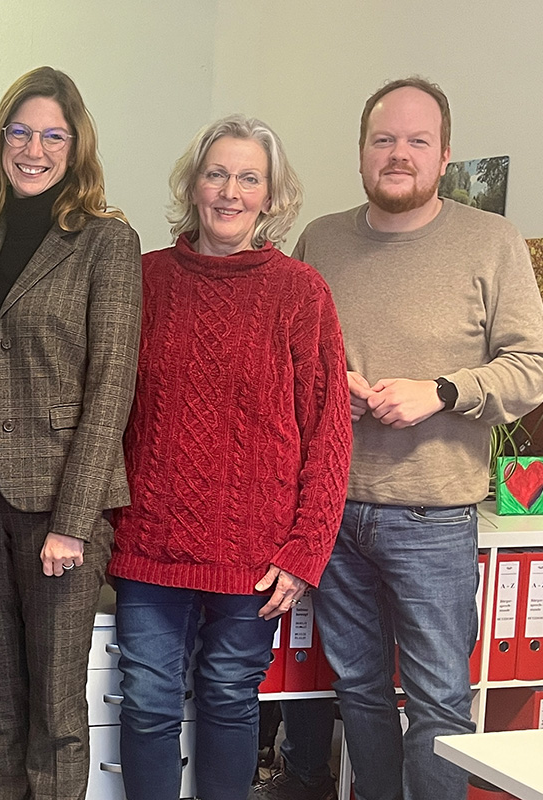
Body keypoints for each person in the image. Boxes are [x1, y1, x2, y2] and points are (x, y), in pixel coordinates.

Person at [293, 76, 543, 800]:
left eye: (416, 141)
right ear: (363, 151)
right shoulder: (322, 240)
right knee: (361, 694)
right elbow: (295, 355)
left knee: (437, 701)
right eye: (383, 140)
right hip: (333, 513)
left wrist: (442, 391)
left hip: (434, 518)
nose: (398, 154)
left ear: (444, 156)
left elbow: (531, 369)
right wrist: (329, 382)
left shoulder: (490, 241)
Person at [109, 114, 352, 800]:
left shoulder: (302, 294)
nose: (230, 191)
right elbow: (109, 409)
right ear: (192, 185)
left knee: (228, 699)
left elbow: (330, 431)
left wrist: (307, 551)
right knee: (149, 702)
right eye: (216, 173)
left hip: (255, 557)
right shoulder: (144, 279)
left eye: (250, 178)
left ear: (271, 197)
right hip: (150, 544)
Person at [0, 66, 141, 799]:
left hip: (58, 514)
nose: (34, 148)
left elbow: (112, 389)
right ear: (1, 140)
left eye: (53, 135)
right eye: (21, 132)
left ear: (75, 147)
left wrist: (75, 522)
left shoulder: (106, 242)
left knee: (55, 711)